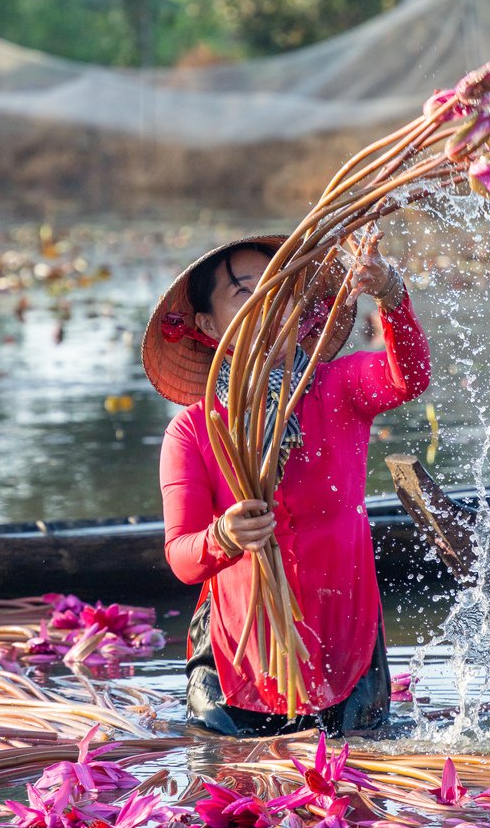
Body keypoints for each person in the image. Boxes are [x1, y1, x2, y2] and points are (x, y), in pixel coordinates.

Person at [141, 232, 430, 736]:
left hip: (348, 652)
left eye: (277, 292)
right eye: (244, 294)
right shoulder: (193, 430)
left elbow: (410, 377)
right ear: (209, 325)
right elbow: (182, 558)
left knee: (358, 793)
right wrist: (223, 537)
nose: (266, 307)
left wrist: (391, 295)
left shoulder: (337, 388)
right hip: (237, 667)